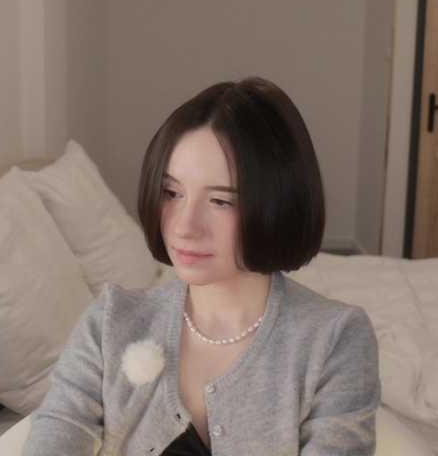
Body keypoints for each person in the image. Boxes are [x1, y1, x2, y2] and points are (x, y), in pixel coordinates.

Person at [22, 76, 381, 456]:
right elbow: (57, 432)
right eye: (172, 193)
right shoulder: (111, 323)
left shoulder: (335, 339)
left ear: (277, 204)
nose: (184, 226)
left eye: (221, 201)